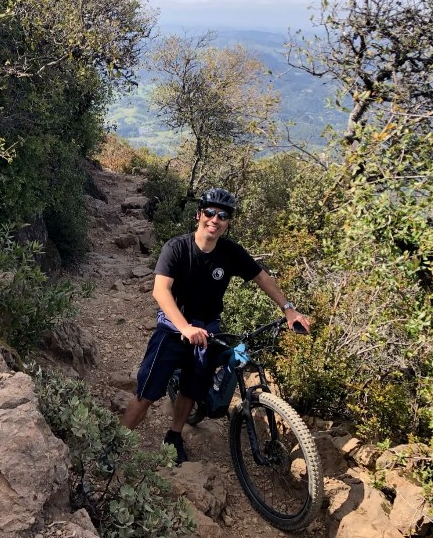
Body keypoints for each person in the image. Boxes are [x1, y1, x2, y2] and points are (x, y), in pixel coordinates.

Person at [121, 187, 311, 464]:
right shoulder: (177, 248)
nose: (215, 219)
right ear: (199, 215)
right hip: (174, 328)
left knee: (191, 387)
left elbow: (262, 277)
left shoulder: (230, 252)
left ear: (228, 222)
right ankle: (115, 446)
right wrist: (184, 327)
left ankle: (174, 434)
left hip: (208, 328)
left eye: (222, 215)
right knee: (147, 392)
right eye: (209, 212)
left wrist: (289, 309)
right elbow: (160, 291)